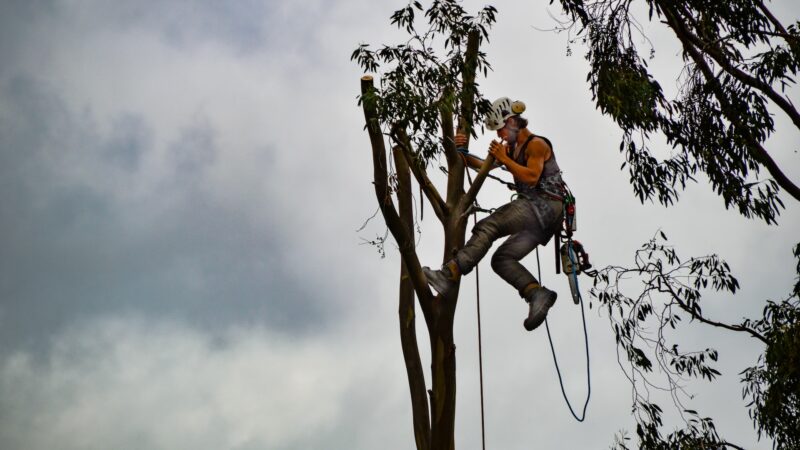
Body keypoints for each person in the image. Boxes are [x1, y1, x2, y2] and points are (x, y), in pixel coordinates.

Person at [423, 97, 567, 331]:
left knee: (490, 225)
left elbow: (531, 176)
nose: (500, 135)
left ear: (511, 121)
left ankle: (449, 274)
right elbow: (482, 165)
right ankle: (536, 293)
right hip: (540, 219)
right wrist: (459, 150)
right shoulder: (511, 149)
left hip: (544, 205)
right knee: (501, 259)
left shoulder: (536, 145)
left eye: (500, 129)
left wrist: (503, 158)